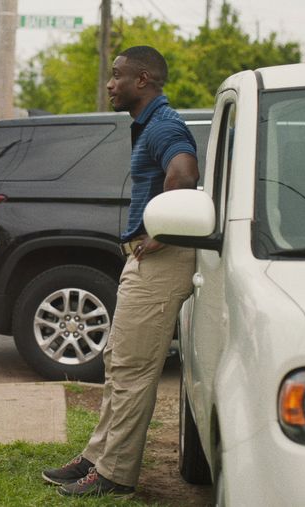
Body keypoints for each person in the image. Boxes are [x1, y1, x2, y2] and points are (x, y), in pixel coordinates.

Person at [41, 45, 199, 497]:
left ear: (143, 80)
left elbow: (184, 176)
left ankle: (114, 475)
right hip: (146, 261)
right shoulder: (150, 125)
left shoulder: (165, 126)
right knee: (118, 363)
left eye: (117, 76)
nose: (110, 84)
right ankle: (96, 457)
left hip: (161, 263)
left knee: (132, 371)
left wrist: (161, 232)